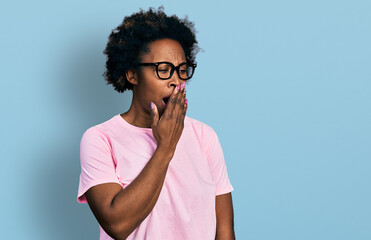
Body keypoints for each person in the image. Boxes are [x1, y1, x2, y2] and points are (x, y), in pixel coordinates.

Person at [77, 6, 235, 240]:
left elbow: (224, 231)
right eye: (163, 70)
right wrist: (166, 147)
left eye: (182, 70)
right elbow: (117, 225)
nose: (176, 81)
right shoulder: (101, 139)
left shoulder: (204, 136)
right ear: (132, 74)